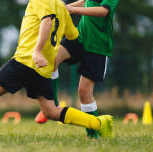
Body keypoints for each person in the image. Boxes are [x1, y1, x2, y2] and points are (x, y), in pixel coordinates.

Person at [0, 0, 114, 140]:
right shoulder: (60, 6)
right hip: (43, 69)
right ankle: (98, 123)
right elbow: (73, 35)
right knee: (51, 111)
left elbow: (47, 22)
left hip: (25, 61)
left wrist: (38, 50)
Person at [35, 0, 119, 139]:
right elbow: (85, 1)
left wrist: (73, 10)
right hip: (79, 38)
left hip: (97, 47)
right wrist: (63, 8)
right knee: (52, 58)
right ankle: (53, 102)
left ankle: (92, 135)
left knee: (84, 92)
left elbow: (103, 11)